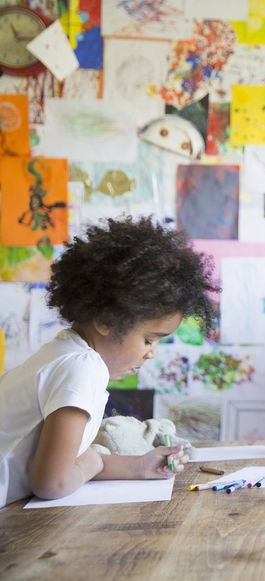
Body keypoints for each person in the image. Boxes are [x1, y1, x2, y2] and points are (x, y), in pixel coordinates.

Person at [0, 217, 218, 507]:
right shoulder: (81, 367)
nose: (151, 353)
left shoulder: (65, 353)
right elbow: (51, 482)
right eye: (149, 340)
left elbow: (63, 467)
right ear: (107, 320)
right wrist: (92, 460)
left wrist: (140, 465)